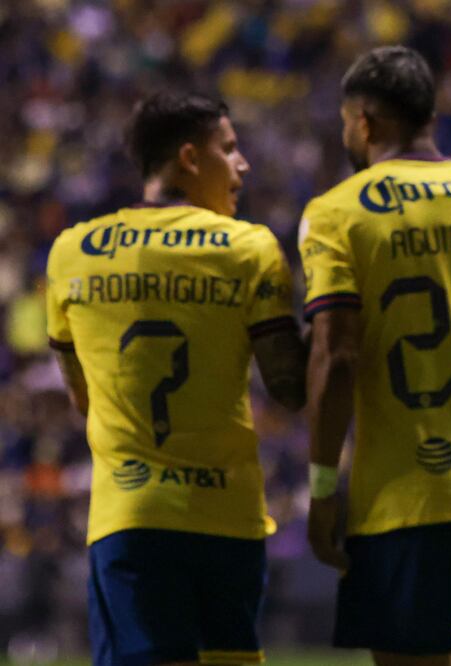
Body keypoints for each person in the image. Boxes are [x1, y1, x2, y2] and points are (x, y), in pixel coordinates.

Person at [299, 46, 451, 665]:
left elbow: (335, 358)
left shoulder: (338, 213)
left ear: (363, 121)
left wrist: (324, 488)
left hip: (402, 494)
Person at [45, 93, 306, 666]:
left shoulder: (72, 252)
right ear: (189, 158)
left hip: (131, 517)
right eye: (230, 149)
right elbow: (290, 387)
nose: (244, 165)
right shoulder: (250, 248)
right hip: (227, 520)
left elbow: (80, 397)